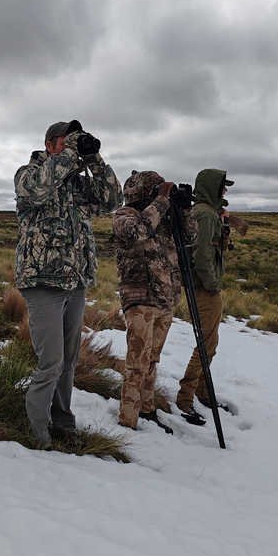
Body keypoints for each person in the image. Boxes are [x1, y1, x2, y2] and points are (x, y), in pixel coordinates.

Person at [14, 120, 122, 447]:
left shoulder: (77, 184)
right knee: (51, 362)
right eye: (66, 139)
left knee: (69, 361)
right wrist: (69, 154)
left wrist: (94, 160)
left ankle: (63, 424)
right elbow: (38, 189)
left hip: (74, 283)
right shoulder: (28, 174)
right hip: (43, 282)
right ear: (50, 144)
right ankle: (37, 433)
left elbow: (111, 199)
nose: (72, 144)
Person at [113, 171, 182, 432]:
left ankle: (147, 409)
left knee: (152, 359)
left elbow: (190, 240)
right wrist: (162, 201)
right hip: (140, 297)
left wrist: (181, 211)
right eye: (154, 189)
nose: (158, 194)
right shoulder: (124, 216)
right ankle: (127, 420)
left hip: (164, 298)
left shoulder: (160, 217)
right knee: (137, 363)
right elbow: (136, 232)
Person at [176, 167, 236, 426]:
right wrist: (212, 285)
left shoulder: (209, 213)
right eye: (222, 186)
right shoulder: (205, 215)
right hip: (204, 289)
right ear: (212, 187)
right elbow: (201, 255)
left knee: (210, 344)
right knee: (205, 344)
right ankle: (185, 397)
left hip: (204, 287)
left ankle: (200, 391)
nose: (225, 190)